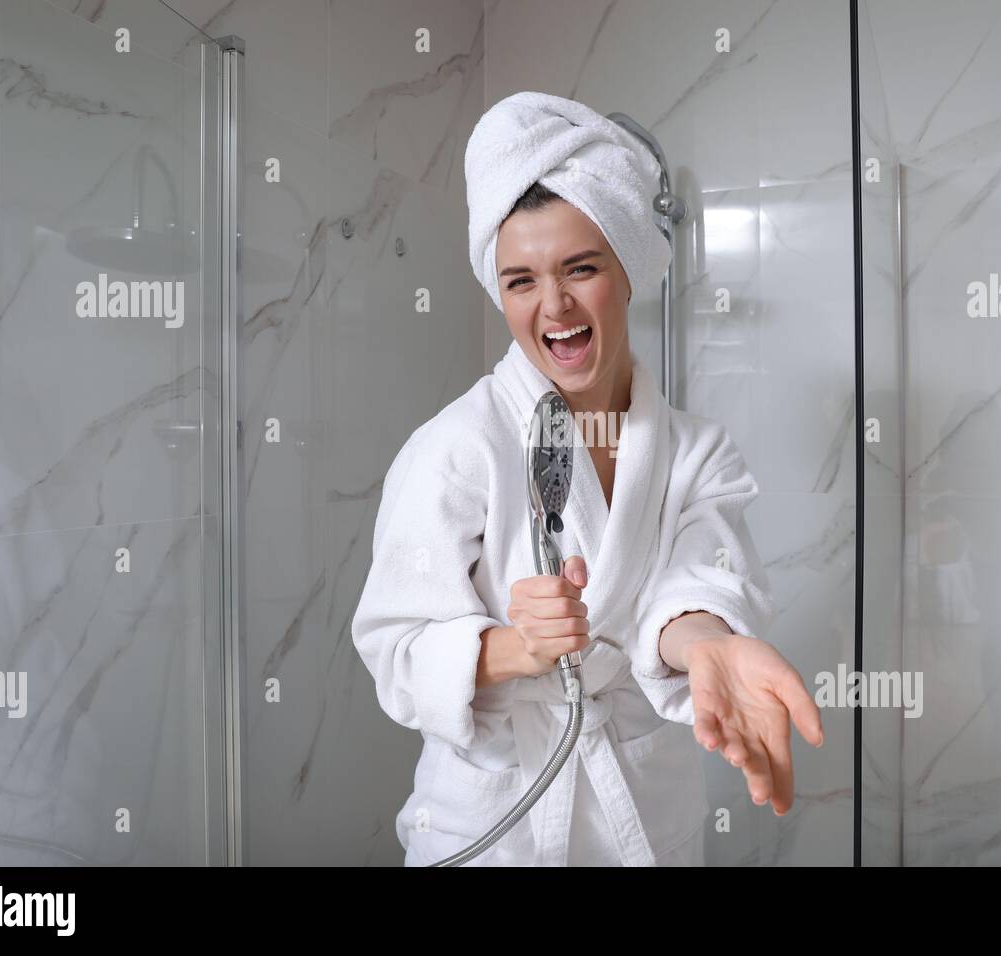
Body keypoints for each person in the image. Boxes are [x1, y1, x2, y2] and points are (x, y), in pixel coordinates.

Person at [351, 92, 823, 867]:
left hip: (637, 816)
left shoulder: (695, 451)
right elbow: (395, 647)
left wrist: (709, 646)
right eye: (521, 281)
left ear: (629, 268)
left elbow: (695, 583)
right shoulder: (457, 446)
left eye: (580, 268)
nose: (554, 306)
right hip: (494, 827)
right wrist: (513, 647)